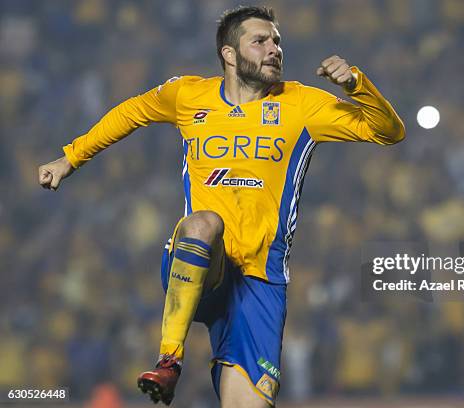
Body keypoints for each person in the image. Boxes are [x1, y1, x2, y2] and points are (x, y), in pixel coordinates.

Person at [38, 5, 405, 407]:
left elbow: (388, 131)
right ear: (229, 54)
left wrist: (356, 84)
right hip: (202, 265)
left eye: (277, 41)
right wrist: (70, 158)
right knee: (201, 224)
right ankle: (169, 360)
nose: (274, 49)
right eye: (260, 41)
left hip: (261, 282)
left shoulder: (302, 105)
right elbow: (130, 113)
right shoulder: (188, 95)